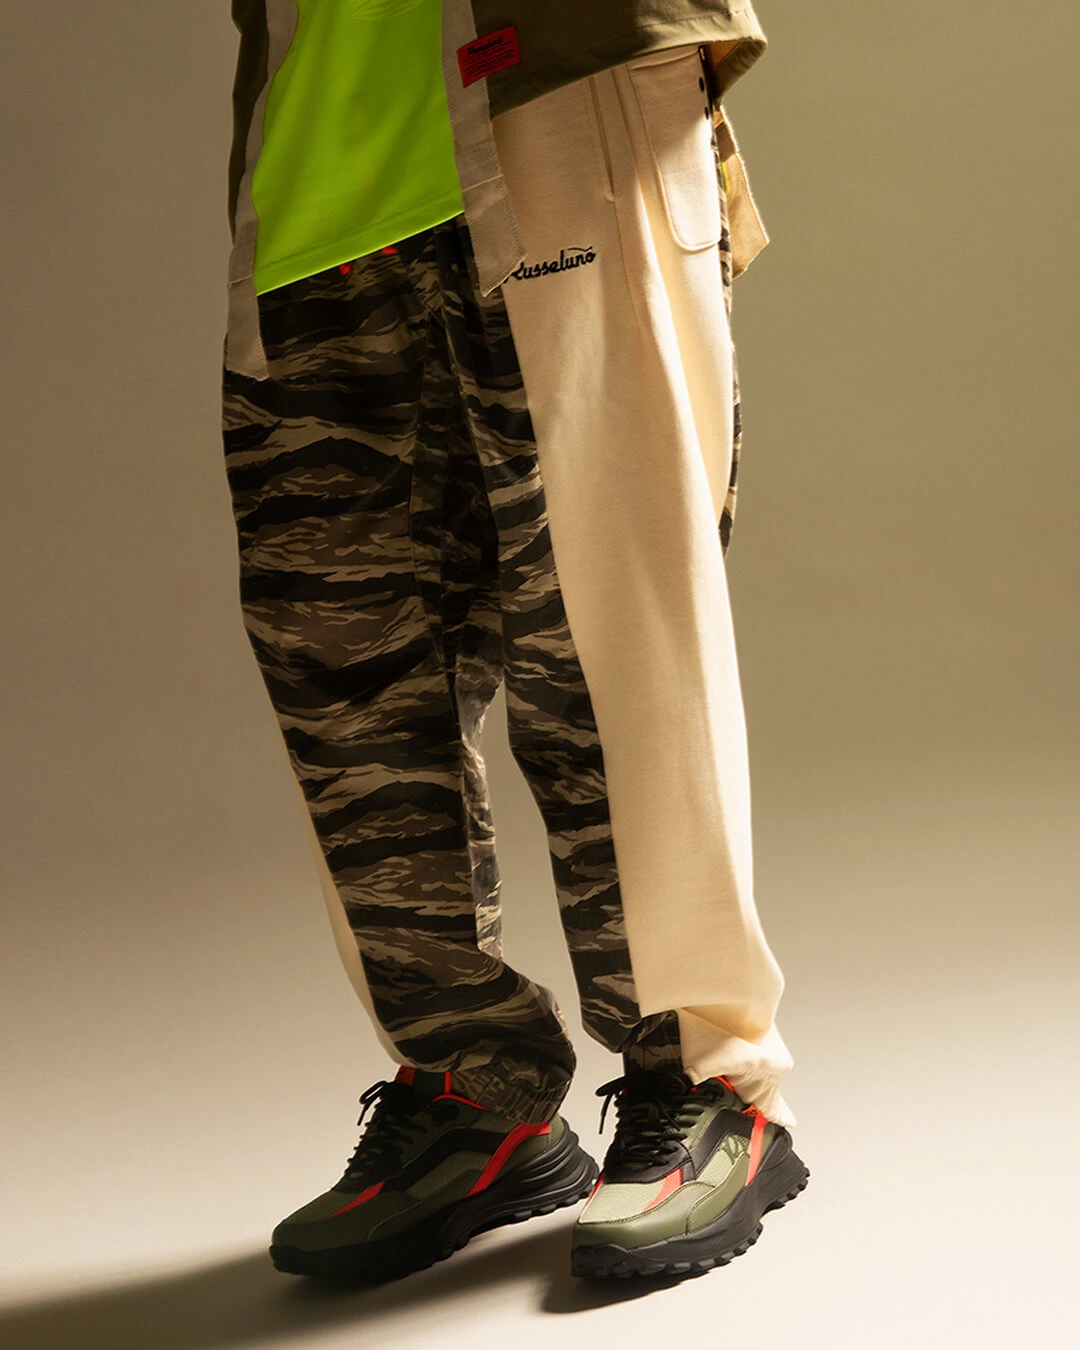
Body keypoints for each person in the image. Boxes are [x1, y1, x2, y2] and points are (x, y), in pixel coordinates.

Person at [221, 0, 807, 1284]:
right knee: (348, 665)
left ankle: (705, 1079)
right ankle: (472, 1088)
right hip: (322, 147)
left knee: (609, 634)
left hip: (560, 85)